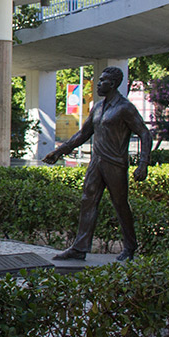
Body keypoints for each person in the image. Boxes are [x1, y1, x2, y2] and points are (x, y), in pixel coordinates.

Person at [43, 66, 152, 261]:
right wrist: (60, 151)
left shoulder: (125, 107)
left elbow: (144, 132)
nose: (99, 84)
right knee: (88, 201)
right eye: (99, 80)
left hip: (115, 164)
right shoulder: (98, 107)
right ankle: (79, 248)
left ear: (113, 84)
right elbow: (83, 134)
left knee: (120, 204)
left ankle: (130, 247)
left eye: (102, 81)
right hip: (96, 163)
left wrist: (143, 163)